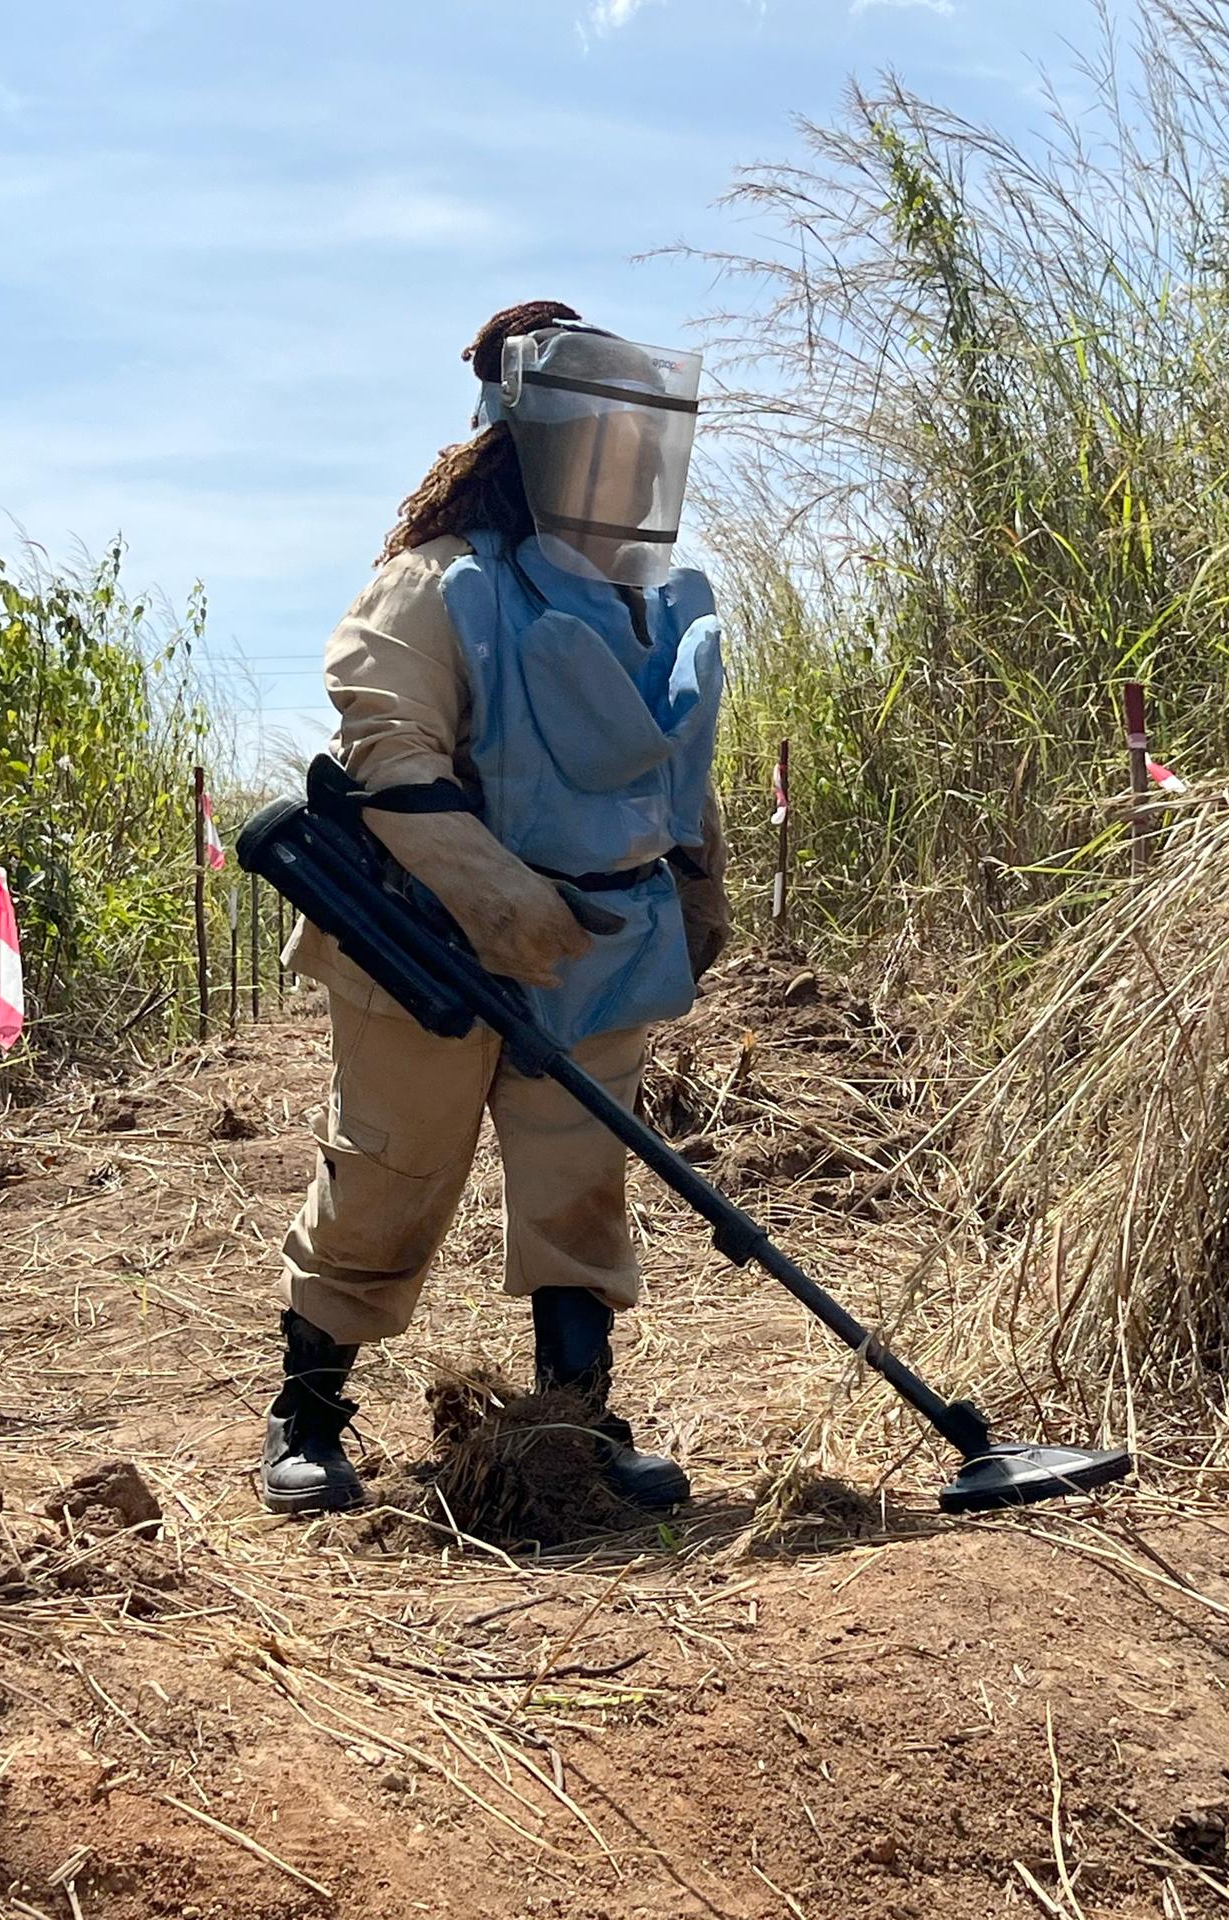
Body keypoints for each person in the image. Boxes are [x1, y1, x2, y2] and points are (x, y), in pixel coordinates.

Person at [259, 300, 730, 1518]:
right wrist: (504, 910)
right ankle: (306, 1415)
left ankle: (575, 1420)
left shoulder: (650, 601)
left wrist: (695, 886)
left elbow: (672, 767)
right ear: (538, 441)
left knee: (582, 1179)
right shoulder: (435, 588)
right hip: (426, 941)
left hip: (600, 951)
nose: (621, 471)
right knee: (389, 1170)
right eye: (600, 443)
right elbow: (388, 754)